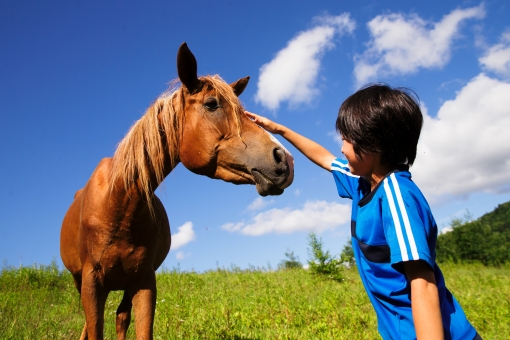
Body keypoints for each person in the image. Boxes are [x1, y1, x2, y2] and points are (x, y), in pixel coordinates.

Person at [246, 84, 480, 340]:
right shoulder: (365, 182)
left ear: (372, 146)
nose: (342, 148)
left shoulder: (396, 197)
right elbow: (324, 158)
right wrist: (277, 129)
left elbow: (422, 284)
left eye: (346, 139)